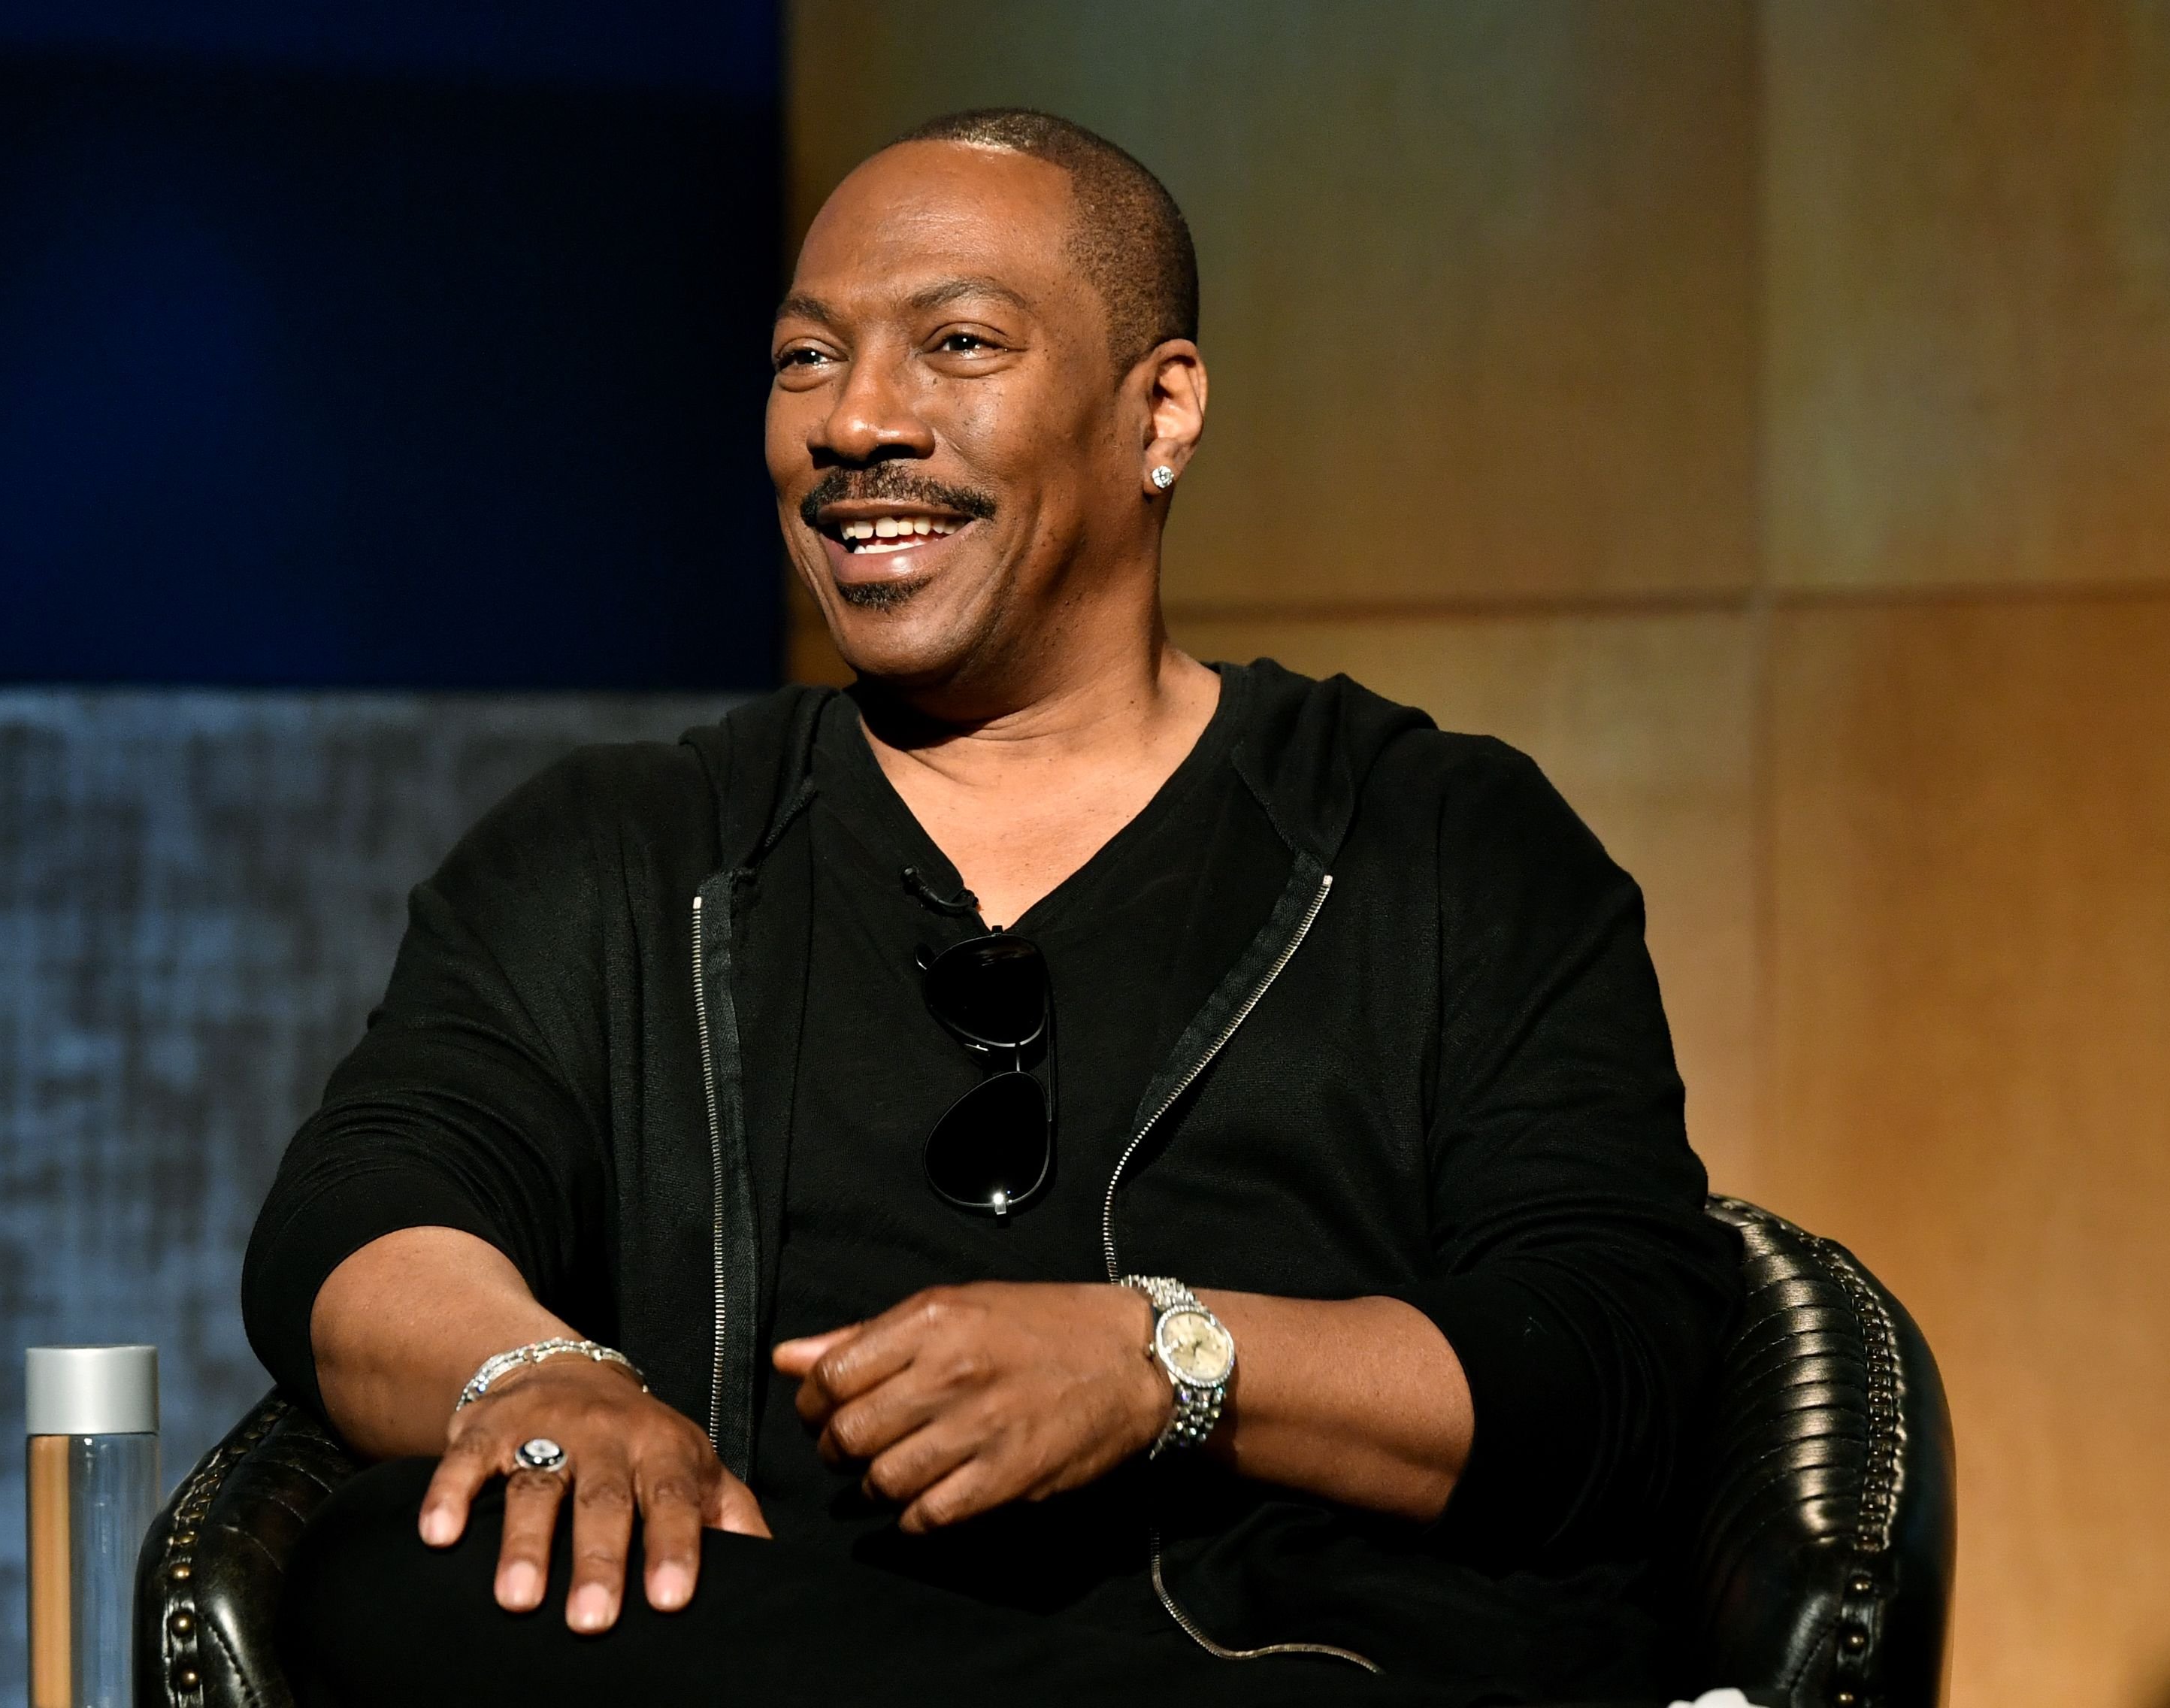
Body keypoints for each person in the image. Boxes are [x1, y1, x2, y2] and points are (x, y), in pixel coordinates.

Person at [245, 108, 1742, 1707]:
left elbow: (1609, 1357)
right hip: (768, 1637)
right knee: (386, 1559)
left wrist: (1160, 1362)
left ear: (1157, 409)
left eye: (955, 343)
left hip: (1322, 1640)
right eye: (804, 360)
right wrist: (537, 1376)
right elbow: (368, 1203)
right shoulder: (627, 846)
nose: (857, 422)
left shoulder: (1436, 838)